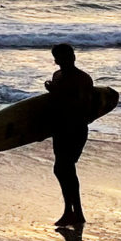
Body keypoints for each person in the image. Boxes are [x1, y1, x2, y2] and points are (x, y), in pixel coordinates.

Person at [44, 42, 93, 229]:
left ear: (73, 57)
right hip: (59, 128)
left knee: (66, 168)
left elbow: (84, 107)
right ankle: (70, 211)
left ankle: (76, 212)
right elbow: (54, 104)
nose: (61, 61)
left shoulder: (82, 79)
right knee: (61, 169)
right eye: (58, 58)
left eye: (65, 57)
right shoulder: (57, 76)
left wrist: (57, 93)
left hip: (75, 128)